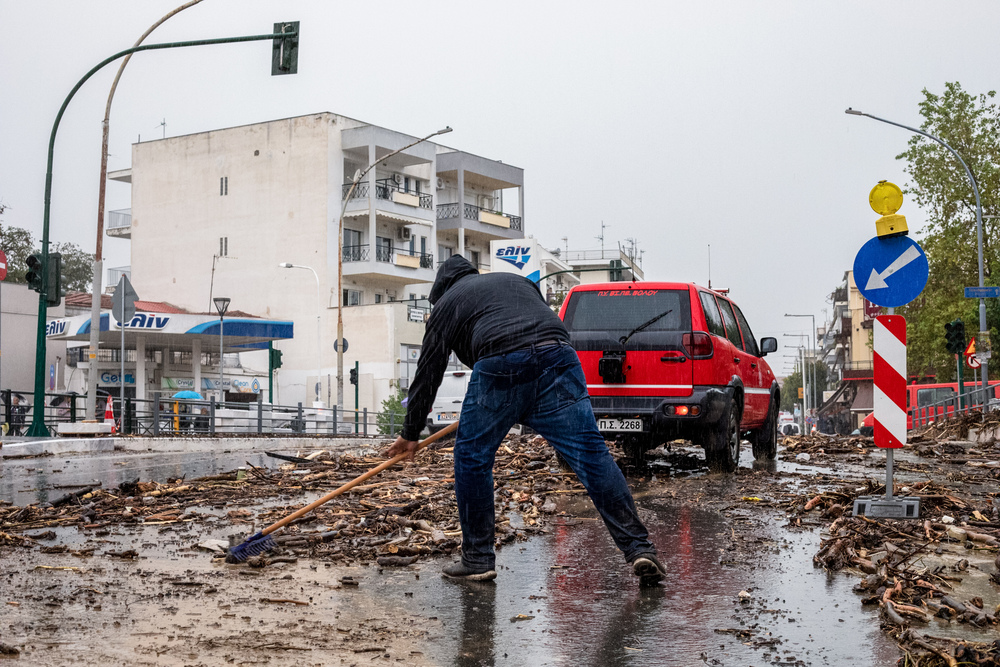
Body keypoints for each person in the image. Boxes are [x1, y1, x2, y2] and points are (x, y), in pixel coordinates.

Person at [386, 256, 665, 585]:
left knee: (472, 458)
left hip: (501, 362)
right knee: (591, 454)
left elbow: (428, 373)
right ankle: (640, 549)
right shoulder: (516, 282)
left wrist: (410, 432)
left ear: (440, 289)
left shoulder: (447, 303)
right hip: (559, 356)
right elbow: (535, 326)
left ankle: (477, 559)